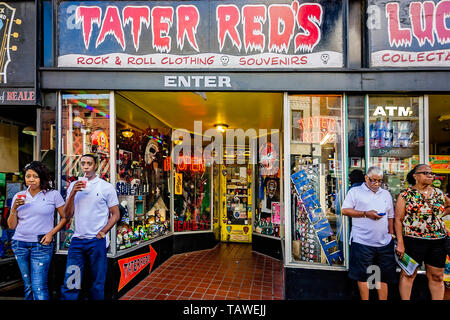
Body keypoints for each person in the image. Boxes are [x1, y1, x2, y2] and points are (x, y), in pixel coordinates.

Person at [60, 153, 120, 300]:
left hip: (96, 241)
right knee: (71, 280)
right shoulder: (74, 186)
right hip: (77, 241)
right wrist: (72, 193)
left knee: (97, 281)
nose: (85, 167)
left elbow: (116, 214)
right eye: (83, 163)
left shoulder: (106, 187)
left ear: (96, 165)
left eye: (89, 163)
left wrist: (103, 231)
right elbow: (67, 215)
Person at [7, 161, 67, 300]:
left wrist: (51, 233)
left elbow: (65, 217)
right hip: (19, 244)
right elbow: (11, 226)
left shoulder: (53, 195)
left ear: (42, 177)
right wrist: (14, 209)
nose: (31, 179)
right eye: (28, 176)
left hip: (41, 244)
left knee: (38, 286)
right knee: (28, 285)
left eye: (35, 176)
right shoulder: (19, 196)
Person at [394, 164, 450, 300]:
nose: (431, 175)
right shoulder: (405, 195)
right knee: (408, 274)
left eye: (432, 173)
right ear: (415, 176)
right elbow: (398, 219)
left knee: (437, 276)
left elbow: (448, 206)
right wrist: (400, 243)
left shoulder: (438, 193)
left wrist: (439, 218)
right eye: (426, 173)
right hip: (412, 241)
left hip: (437, 242)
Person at [342, 166, 396, 300]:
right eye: (373, 180)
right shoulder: (355, 191)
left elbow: (390, 215)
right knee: (362, 275)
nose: (377, 184)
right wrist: (366, 214)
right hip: (362, 241)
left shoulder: (386, 194)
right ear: (366, 178)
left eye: (380, 181)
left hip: (384, 242)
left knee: (383, 276)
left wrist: (391, 234)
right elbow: (345, 210)